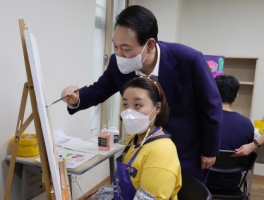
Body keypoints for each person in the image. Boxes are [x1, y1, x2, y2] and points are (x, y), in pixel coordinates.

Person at [61, 5, 222, 183]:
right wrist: (77, 99)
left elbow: (212, 107)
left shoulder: (188, 60)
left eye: (126, 48)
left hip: (184, 151)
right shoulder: (118, 63)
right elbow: (100, 89)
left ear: (150, 44)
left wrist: (209, 150)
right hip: (141, 150)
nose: (119, 54)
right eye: (115, 46)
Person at [87, 76, 181, 200]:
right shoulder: (133, 139)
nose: (128, 112)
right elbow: (119, 187)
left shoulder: (161, 152)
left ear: (157, 108)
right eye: (125, 104)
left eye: (137, 105)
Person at [206, 75, 254, 191]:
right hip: (230, 185)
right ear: (236, 97)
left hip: (201, 181)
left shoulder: (202, 119)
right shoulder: (247, 124)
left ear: (213, 93)